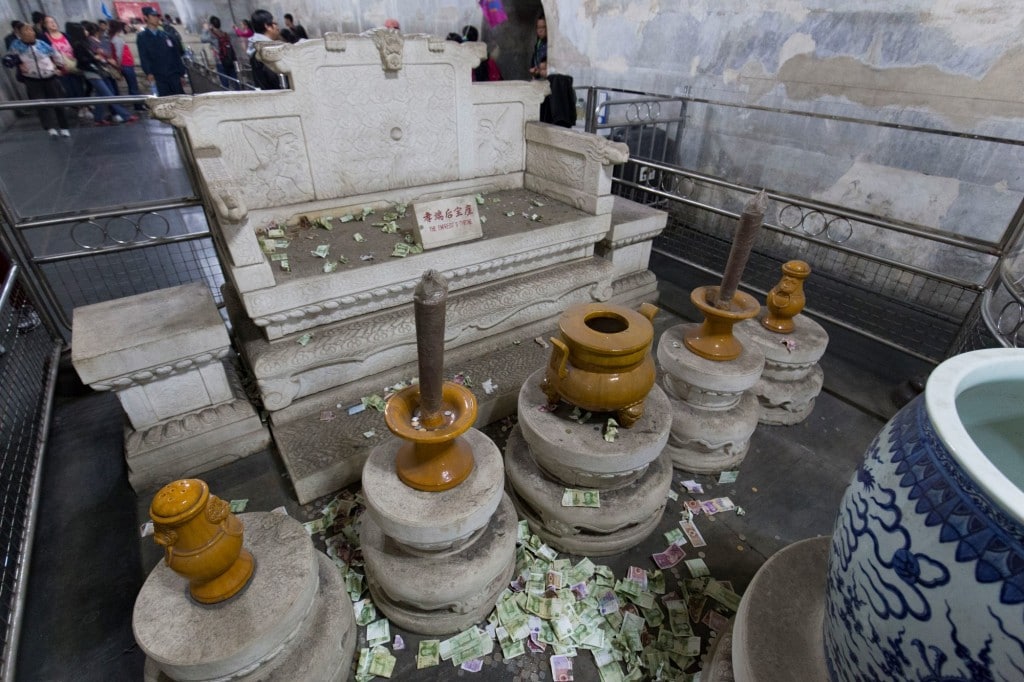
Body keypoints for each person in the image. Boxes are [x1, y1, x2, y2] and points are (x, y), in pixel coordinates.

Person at [3, 22, 70, 137]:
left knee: (58, 102)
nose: (29, 32)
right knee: (40, 104)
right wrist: (17, 62)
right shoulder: (16, 46)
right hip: (32, 79)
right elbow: (8, 59)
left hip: (50, 77)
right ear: (19, 33)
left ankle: (64, 127)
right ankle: (50, 127)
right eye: (26, 30)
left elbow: (56, 56)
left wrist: (59, 68)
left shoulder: (42, 44)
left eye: (31, 30)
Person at [68, 22, 137, 125]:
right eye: (84, 30)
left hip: (97, 70)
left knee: (101, 95)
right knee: (108, 95)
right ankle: (125, 115)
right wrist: (95, 57)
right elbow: (83, 60)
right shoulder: (79, 45)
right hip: (91, 71)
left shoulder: (84, 43)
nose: (86, 32)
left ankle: (98, 118)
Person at [137, 6, 186, 96]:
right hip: (158, 75)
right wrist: (148, 72)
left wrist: (181, 73)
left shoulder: (167, 35)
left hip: (173, 74)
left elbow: (176, 55)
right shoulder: (142, 37)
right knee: (165, 101)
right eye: (153, 16)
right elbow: (143, 56)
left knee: (180, 99)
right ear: (146, 17)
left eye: (157, 16)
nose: (156, 18)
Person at [108, 20, 145, 109]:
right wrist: (119, 66)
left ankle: (136, 104)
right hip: (125, 64)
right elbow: (119, 54)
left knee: (132, 85)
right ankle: (138, 105)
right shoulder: (117, 39)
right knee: (133, 85)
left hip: (124, 64)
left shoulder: (113, 38)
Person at [247, 9, 281, 90]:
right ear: (268, 26)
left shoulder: (255, 47)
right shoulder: (267, 50)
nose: (278, 28)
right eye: (275, 24)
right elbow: (275, 80)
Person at [201, 16, 238, 89]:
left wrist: (205, 29)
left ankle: (227, 95)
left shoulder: (212, 36)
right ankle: (239, 93)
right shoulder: (225, 34)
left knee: (224, 81)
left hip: (220, 61)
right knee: (234, 80)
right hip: (230, 59)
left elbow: (203, 39)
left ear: (212, 25)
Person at [528, 13, 546, 80]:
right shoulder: (538, 44)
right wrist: (534, 70)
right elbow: (534, 62)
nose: (540, 31)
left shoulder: (551, 45)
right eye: (538, 27)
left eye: (543, 27)